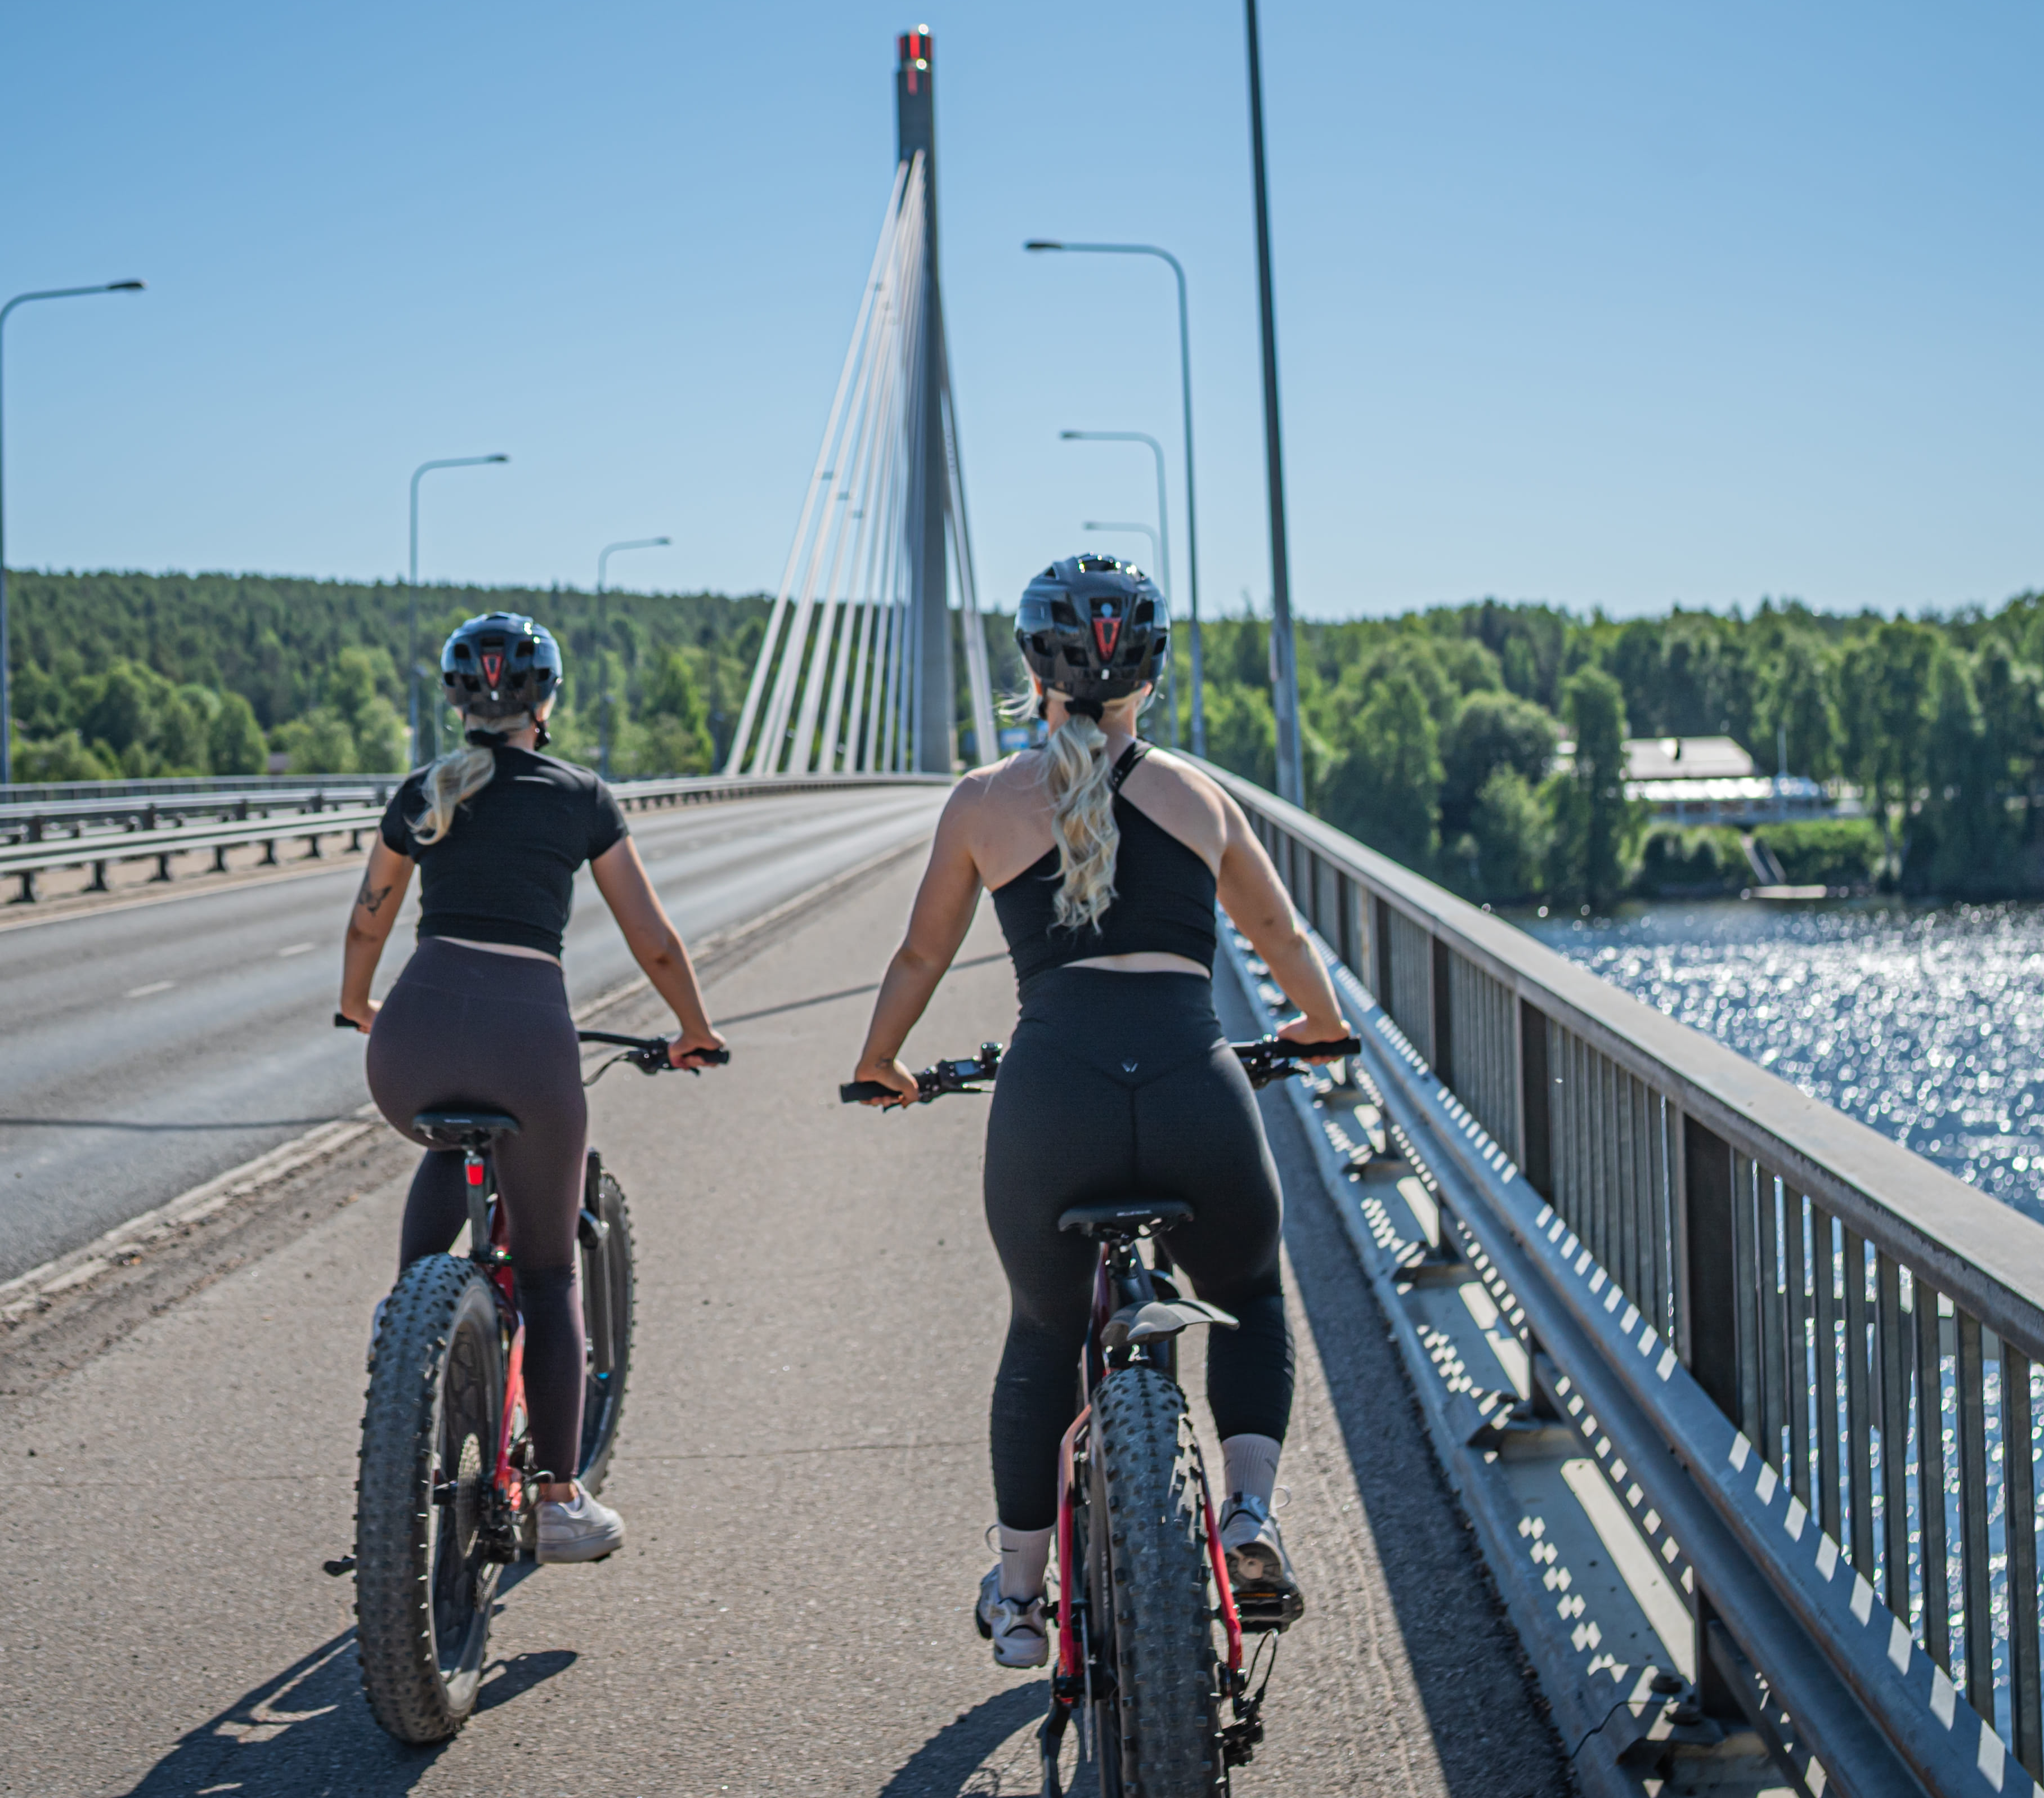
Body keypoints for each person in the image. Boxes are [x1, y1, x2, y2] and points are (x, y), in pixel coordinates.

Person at [845, 555, 1351, 1667]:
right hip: (1193, 1086)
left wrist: (882, 1059)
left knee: (1041, 1331)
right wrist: (1318, 1030)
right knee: (1249, 1292)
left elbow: (922, 951)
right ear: (1149, 682)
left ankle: (1021, 1597)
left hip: (1052, 1100)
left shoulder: (983, 802)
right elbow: (1282, 945)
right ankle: (1250, 1514)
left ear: (1037, 673)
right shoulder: (1199, 797)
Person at [337, 611, 727, 1564]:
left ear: (459, 702)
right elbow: (654, 939)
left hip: (411, 1048)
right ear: (545, 702)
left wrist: (360, 1007)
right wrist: (694, 1030)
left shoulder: (424, 791)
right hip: (528, 1042)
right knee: (549, 1274)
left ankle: (407, 1325)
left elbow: (369, 919)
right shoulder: (580, 796)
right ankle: (557, 1501)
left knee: (445, 1139)